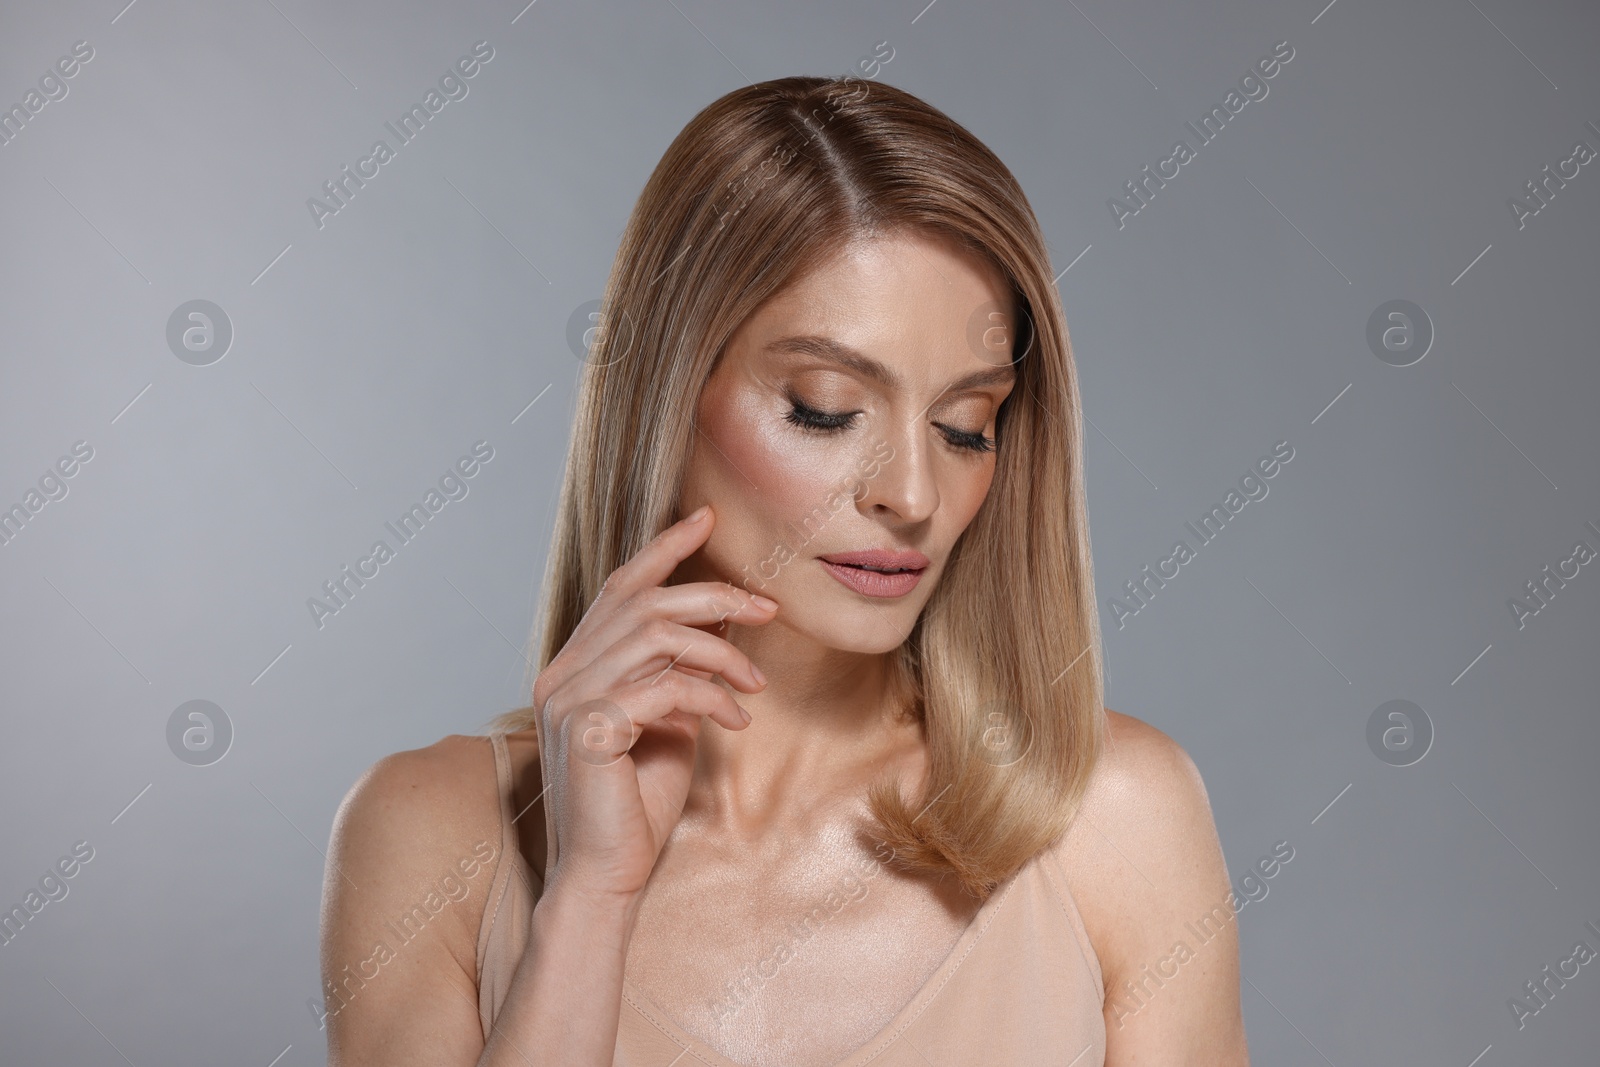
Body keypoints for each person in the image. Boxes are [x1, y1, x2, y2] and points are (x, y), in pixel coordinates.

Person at [319, 75, 1248, 1066]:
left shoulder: (1114, 813)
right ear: (663, 401)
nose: (912, 493)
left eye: (964, 425)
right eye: (823, 407)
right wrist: (589, 901)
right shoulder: (426, 832)